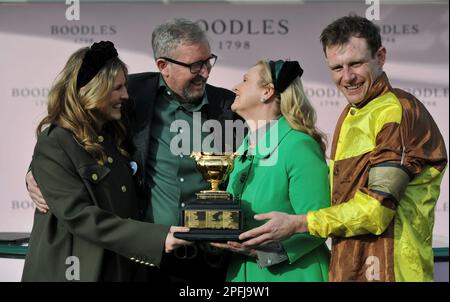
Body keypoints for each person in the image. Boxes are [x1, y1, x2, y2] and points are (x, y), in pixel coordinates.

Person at [27, 19, 240, 282]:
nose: (206, 72)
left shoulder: (230, 107)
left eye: (208, 62)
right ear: (164, 66)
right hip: (143, 258)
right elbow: (65, 139)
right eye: (195, 65)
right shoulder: (134, 96)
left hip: (205, 260)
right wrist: (34, 172)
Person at [237, 15, 448, 282]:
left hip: (392, 272)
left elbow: (376, 210)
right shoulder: (352, 113)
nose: (347, 77)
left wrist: (300, 222)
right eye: (336, 68)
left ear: (380, 57)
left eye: (356, 64)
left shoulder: (397, 112)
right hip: (349, 268)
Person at [22, 41, 191, 282]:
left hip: (121, 268)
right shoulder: (57, 141)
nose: (126, 95)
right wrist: (157, 238)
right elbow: (80, 216)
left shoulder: (116, 132)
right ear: (91, 90)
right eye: (117, 88)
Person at [211, 60, 330, 282]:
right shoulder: (242, 149)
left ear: (267, 92)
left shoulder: (298, 146)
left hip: (294, 275)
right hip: (241, 274)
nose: (236, 87)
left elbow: (320, 222)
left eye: (245, 80)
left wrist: (266, 252)